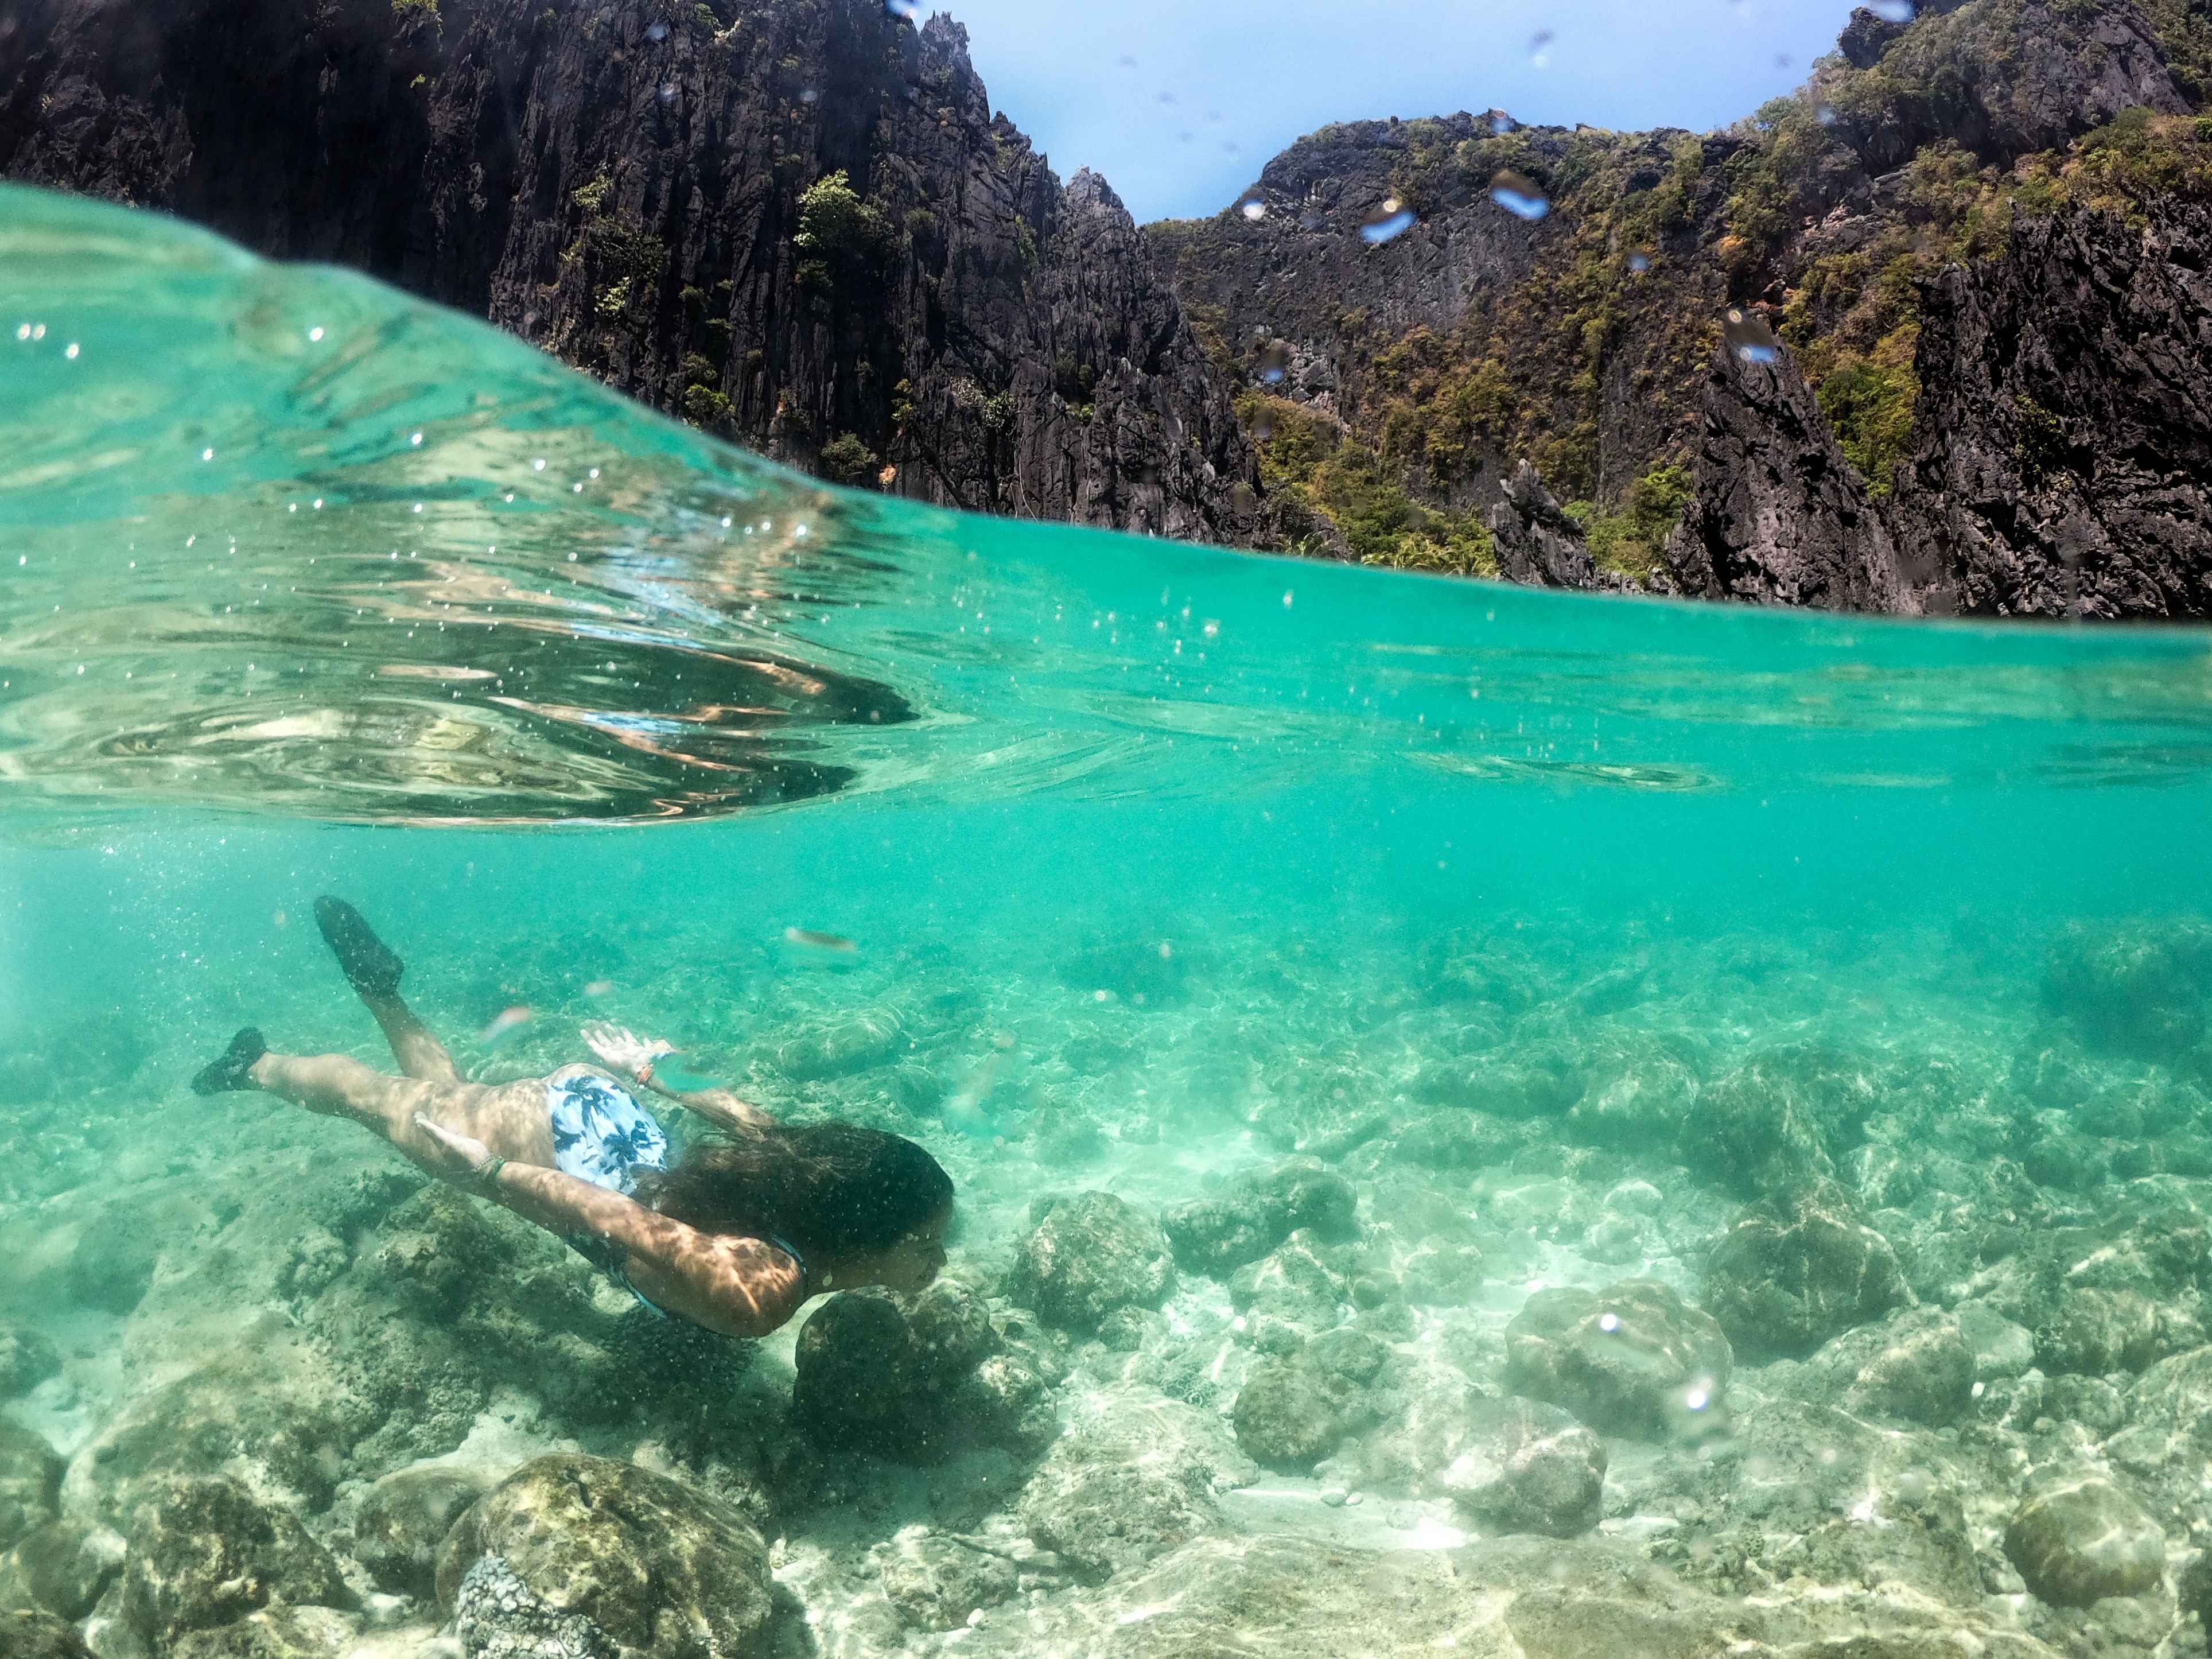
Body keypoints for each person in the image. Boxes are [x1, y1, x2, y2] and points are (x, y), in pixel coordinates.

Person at [192, 898, 952, 1338]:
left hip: (604, 1118)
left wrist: (652, 1071)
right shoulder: (763, 1293)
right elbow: (616, 1220)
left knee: (442, 1095)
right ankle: (255, 1065)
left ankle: (380, 990)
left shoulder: (811, 1201)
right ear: (866, 1236)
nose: (939, 1263)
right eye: (926, 1244)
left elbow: (758, 1125)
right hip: (565, 1153)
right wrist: (489, 1173)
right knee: (381, 1102)